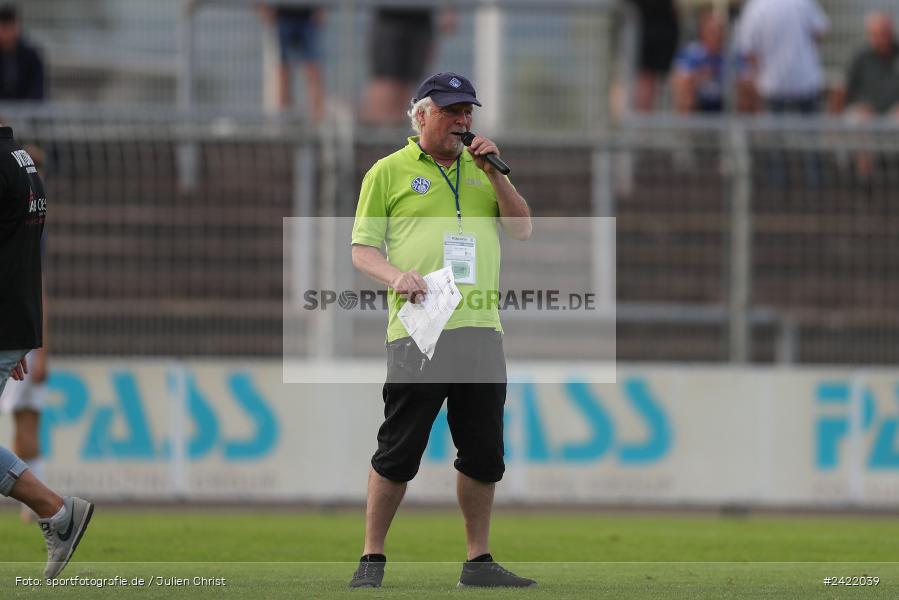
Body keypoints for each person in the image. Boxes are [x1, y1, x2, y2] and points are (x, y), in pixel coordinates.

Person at [349, 72, 533, 589]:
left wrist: (496, 175)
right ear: (422, 115)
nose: (463, 120)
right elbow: (362, 250)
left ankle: (478, 561)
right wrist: (395, 276)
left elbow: (521, 228)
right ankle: (372, 558)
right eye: (452, 111)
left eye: (468, 111)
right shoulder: (387, 173)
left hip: (479, 328)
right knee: (399, 448)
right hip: (418, 330)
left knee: (483, 452)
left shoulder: (485, 169)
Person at [0, 124, 92, 578]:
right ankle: (55, 512)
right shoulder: (23, 168)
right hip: (12, 324)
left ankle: (55, 511)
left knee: (27, 425)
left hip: (12, 326)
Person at [361, 8, 456, 124]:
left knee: (406, 87)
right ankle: (373, 136)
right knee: (386, 85)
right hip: (390, 15)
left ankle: (389, 136)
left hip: (421, 18)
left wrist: (448, 7)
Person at [734, 0, 828, 116]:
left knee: (775, 132)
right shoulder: (802, 2)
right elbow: (820, 31)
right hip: (804, 80)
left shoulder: (755, 7)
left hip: (773, 83)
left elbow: (748, 49)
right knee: (809, 130)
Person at [673, 10, 750, 114]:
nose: (716, 35)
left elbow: (746, 76)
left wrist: (730, 79)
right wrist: (700, 77)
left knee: (747, 91)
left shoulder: (732, 55)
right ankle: (688, 127)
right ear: (702, 32)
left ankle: (744, 128)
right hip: (699, 101)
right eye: (712, 31)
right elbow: (681, 76)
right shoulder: (691, 53)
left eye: (719, 31)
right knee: (684, 89)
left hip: (726, 100)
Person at [256, 4, 324, 119]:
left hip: (307, 15)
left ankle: (317, 119)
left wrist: (322, 7)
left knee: (313, 69)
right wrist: (261, 7)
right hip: (283, 15)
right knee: (284, 71)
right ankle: (285, 118)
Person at [843, 12, 899, 120]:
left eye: (885, 34)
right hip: (866, 111)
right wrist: (860, 105)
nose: (882, 39)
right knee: (856, 118)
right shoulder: (860, 57)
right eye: (877, 34)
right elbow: (847, 89)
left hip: (894, 112)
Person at [628, 0, 680, 112]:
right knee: (645, 79)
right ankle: (641, 122)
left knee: (653, 81)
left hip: (658, 28)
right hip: (642, 28)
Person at [0, 4, 45, 101]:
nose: (7, 34)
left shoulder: (31, 57)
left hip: (27, 112)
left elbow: (37, 91)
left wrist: (20, 113)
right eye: (4, 29)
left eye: (10, 28)